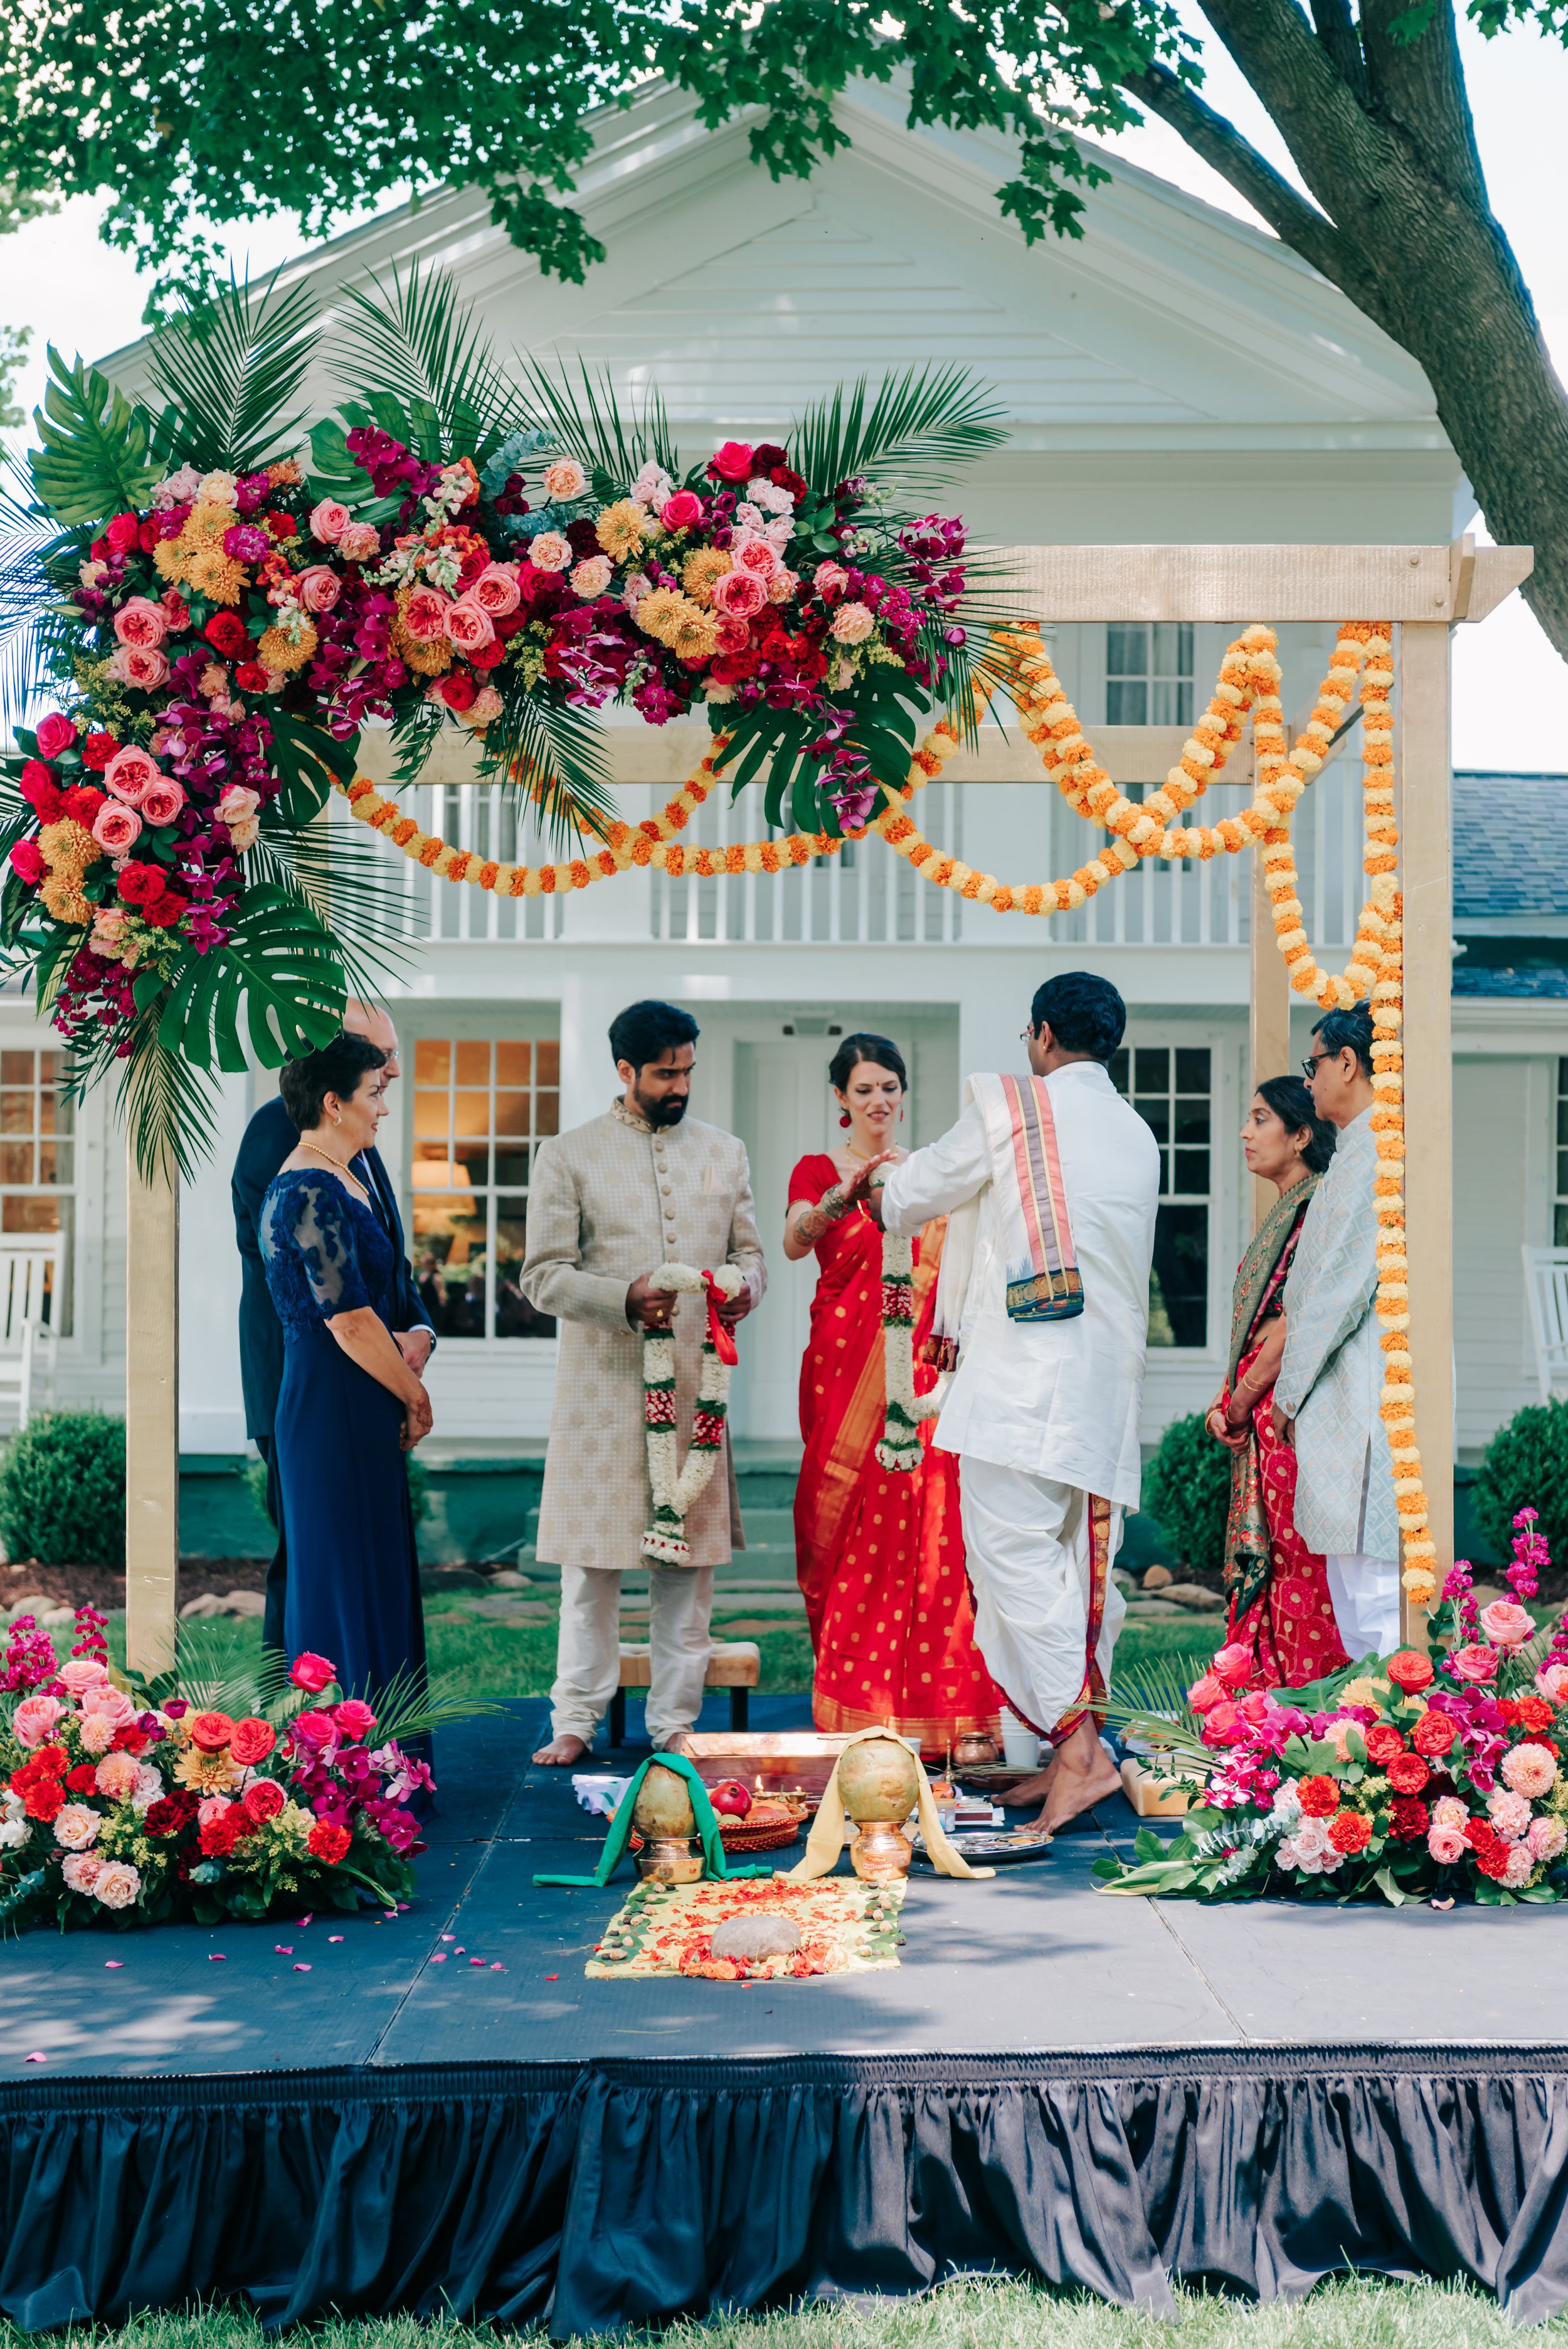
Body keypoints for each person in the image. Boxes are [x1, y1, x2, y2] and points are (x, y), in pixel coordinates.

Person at [869, 972, 1160, 1835]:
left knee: (1016, 1564)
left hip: (1023, 1390)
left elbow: (903, 1200)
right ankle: (1069, 1751)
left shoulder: (1011, 1112)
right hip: (1105, 1389)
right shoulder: (1140, 1134)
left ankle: (1079, 1758)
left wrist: (900, 1167)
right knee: (1076, 1575)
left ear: (1040, 1036)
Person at [521, 1000, 766, 1765]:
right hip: (601, 1391)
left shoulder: (725, 1152)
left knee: (686, 1578)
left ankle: (674, 1724)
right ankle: (576, 1720)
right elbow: (541, 1276)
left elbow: (752, 1255)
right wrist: (621, 1297)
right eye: (666, 1072)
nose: (680, 1084)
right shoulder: (568, 1155)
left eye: (688, 1069)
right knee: (590, 1573)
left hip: (694, 1385)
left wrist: (745, 1288)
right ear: (625, 1070)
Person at [784, 1034, 1001, 1756]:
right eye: (865, 1089)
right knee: (839, 1527)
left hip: (919, 1381)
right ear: (840, 1099)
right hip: (843, 1368)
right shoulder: (817, 1170)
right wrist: (844, 1194)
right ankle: (857, 1707)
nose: (879, 1100)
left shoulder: (928, 1173)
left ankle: (947, 1712)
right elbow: (792, 1240)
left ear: (903, 1094)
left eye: (889, 1087)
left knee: (932, 1534)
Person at [233, 1002, 434, 1655]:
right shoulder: (297, 1168)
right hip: (325, 1388)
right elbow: (341, 1313)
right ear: (334, 1094)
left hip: (363, 1386)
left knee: (368, 1571)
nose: (389, 1086)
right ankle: (327, 1740)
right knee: (326, 1574)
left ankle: (379, 1744)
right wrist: (411, 1391)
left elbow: (387, 1267)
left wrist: (418, 1334)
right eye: (377, 1075)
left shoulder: (351, 1158)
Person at [1205, 1076, 1348, 1689]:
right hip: (1266, 1421)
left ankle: (1296, 1707)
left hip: (1285, 1416)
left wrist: (1238, 1402)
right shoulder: (1291, 1207)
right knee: (1281, 1564)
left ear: (1301, 1135)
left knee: (1296, 1568)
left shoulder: (1316, 1207)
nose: (1245, 1131)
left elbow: (1290, 1326)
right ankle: (1260, 1707)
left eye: (1260, 1118)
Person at [1273, 1004, 1401, 1659]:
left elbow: (1338, 1292)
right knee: (1354, 1584)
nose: (1309, 1081)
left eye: (1313, 1064)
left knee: (1375, 1594)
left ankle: (1396, 1747)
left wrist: (1285, 1395)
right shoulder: (1357, 1148)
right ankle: (1372, 1745)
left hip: (1363, 1385)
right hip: (1343, 1387)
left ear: (1347, 1063)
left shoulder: (1375, 1150)